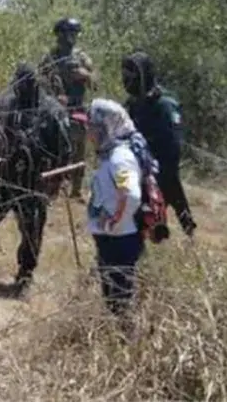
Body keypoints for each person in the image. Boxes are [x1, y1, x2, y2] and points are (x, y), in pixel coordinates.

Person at [0, 63, 72, 298]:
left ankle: (25, 276)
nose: (22, 89)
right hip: (4, 176)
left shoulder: (51, 110)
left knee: (32, 231)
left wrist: (57, 179)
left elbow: (64, 148)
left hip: (34, 181)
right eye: (19, 84)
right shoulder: (5, 104)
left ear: (35, 84)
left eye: (26, 84)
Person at [85, 98, 145, 337]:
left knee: (120, 299)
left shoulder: (120, 157)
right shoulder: (110, 155)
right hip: (112, 238)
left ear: (105, 128)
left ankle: (130, 343)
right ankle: (121, 340)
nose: (88, 133)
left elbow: (129, 194)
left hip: (120, 239)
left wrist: (112, 221)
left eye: (91, 127)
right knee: (113, 299)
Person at [122, 52, 197, 235]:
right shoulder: (133, 103)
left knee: (168, 193)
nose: (126, 81)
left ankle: (183, 232)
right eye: (124, 76)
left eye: (130, 77)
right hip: (137, 163)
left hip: (160, 164)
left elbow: (173, 144)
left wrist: (155, 171)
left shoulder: (164, 104)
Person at [39, 17, 95, 199]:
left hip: (78, 109)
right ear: (60, 35)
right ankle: (53, 188)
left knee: (79, 151)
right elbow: (39, 82)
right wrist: (54, 96)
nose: (72, 38)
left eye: (74, 34)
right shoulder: (50, 58)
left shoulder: (82, 57)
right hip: (56, 111)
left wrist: (85, 75)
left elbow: (95, 83)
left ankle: (76, 190)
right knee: (56, 148)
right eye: (69, 34)